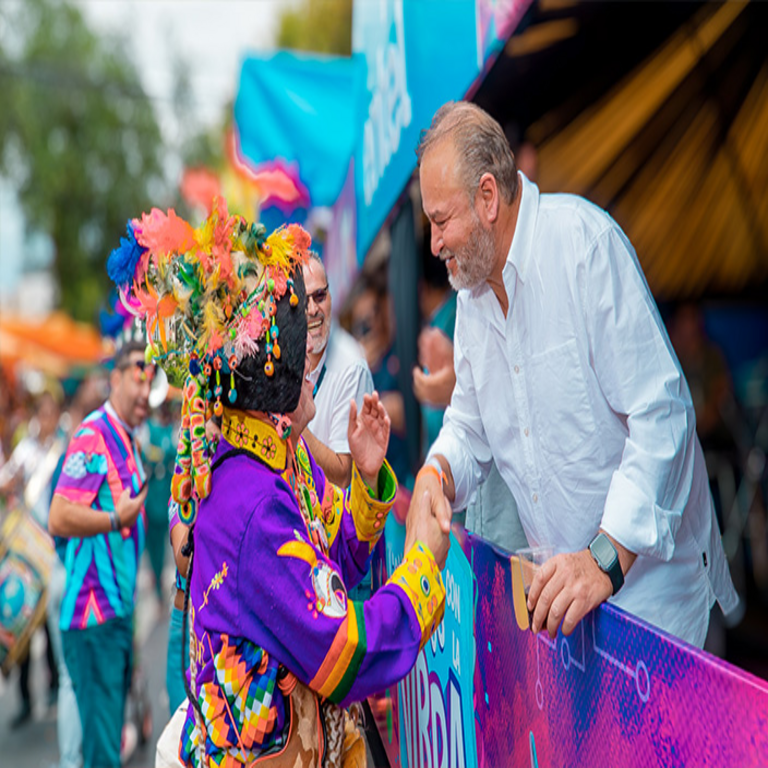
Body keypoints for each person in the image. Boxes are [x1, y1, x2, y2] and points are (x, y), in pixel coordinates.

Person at [105, 203, 450, 768]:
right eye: (298, 347)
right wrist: (423, 568)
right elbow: (346, 653)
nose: (312, 357)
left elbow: (332, 562)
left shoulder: (274, 460)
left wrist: (365, 478)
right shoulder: (253, 503)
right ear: (277, 374)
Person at [412, 99, 738, 648]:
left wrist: (604, 558)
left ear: (488, 197)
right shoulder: (473, 300)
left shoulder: (584, 247)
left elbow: (662, 417)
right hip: (577, 615)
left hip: (660, 610)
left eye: (440, 221)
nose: (434, 243)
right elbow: (469, 426)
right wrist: (436, 472)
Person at [48, 324, 150, 768]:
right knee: (103, 754)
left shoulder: (127, 436)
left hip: (116, 615)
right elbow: (59, 515)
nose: (146, 385)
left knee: (107, 747)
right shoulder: (94, 435)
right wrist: (114, 518)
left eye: (152, 376)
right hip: (93, 620)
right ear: (116, 377)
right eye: (138, 373)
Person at [302, 253, 374, 489]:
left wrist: (291, 422)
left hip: (338, 522)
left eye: (319, 296)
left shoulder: (351, 367)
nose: (313, 309)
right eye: (303, 301)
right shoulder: (286, 354)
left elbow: (343, 475)